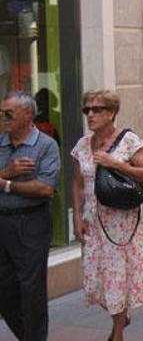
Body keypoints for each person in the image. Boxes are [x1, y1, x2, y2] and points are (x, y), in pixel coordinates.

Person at [71, 89, 143, 341]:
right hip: (92, 222)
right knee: (95, 280)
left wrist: (115, 163)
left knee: (117, 277)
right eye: (87, 109)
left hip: (121, 224)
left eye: (98, 109)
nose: (91, 115)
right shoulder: (82, 145)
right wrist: (77, 217)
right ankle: (121, 316)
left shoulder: (129, 141)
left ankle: (117, 333)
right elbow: (77, 184)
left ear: (112, 113)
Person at [0, 91, 60, 341]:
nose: (2, 117)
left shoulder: (46, 145)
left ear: (27, 114)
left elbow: (45, 188)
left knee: (31, 290)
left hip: (32, 222)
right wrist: (9, 171)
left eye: (8, 113)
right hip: (2, 222)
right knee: (4, 289)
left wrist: (6, 184)